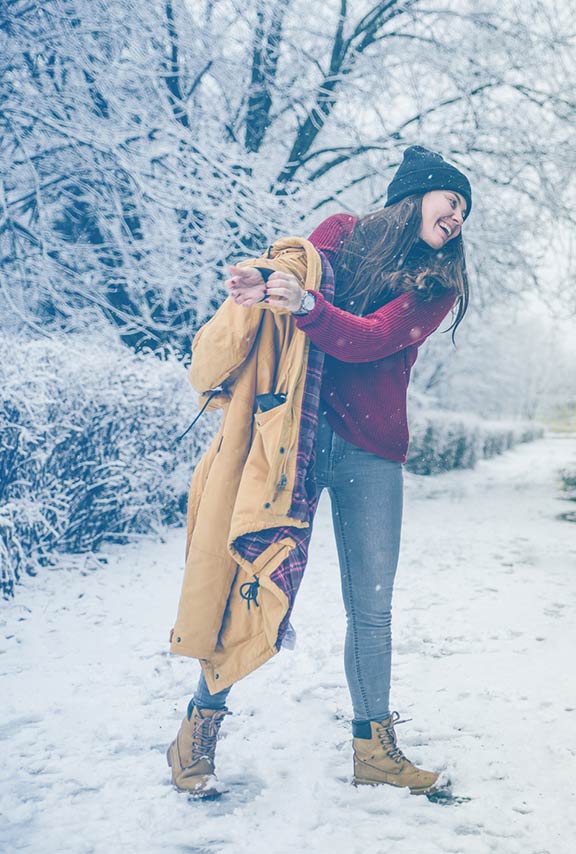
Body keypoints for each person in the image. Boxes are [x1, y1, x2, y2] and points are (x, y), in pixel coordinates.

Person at [166, 146, 472, 799]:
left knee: (372, 606)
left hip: (372, 450)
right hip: (294, 440)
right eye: (453, 202)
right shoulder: (341, 236)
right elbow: (287, 273)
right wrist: (260, 287)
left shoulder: (437, 284)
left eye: (465, 213)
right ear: (417, 193)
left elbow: (368, 337)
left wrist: (304, 305)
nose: (458, 219)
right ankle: (199, 727)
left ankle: (375, 752)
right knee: (255, 581)